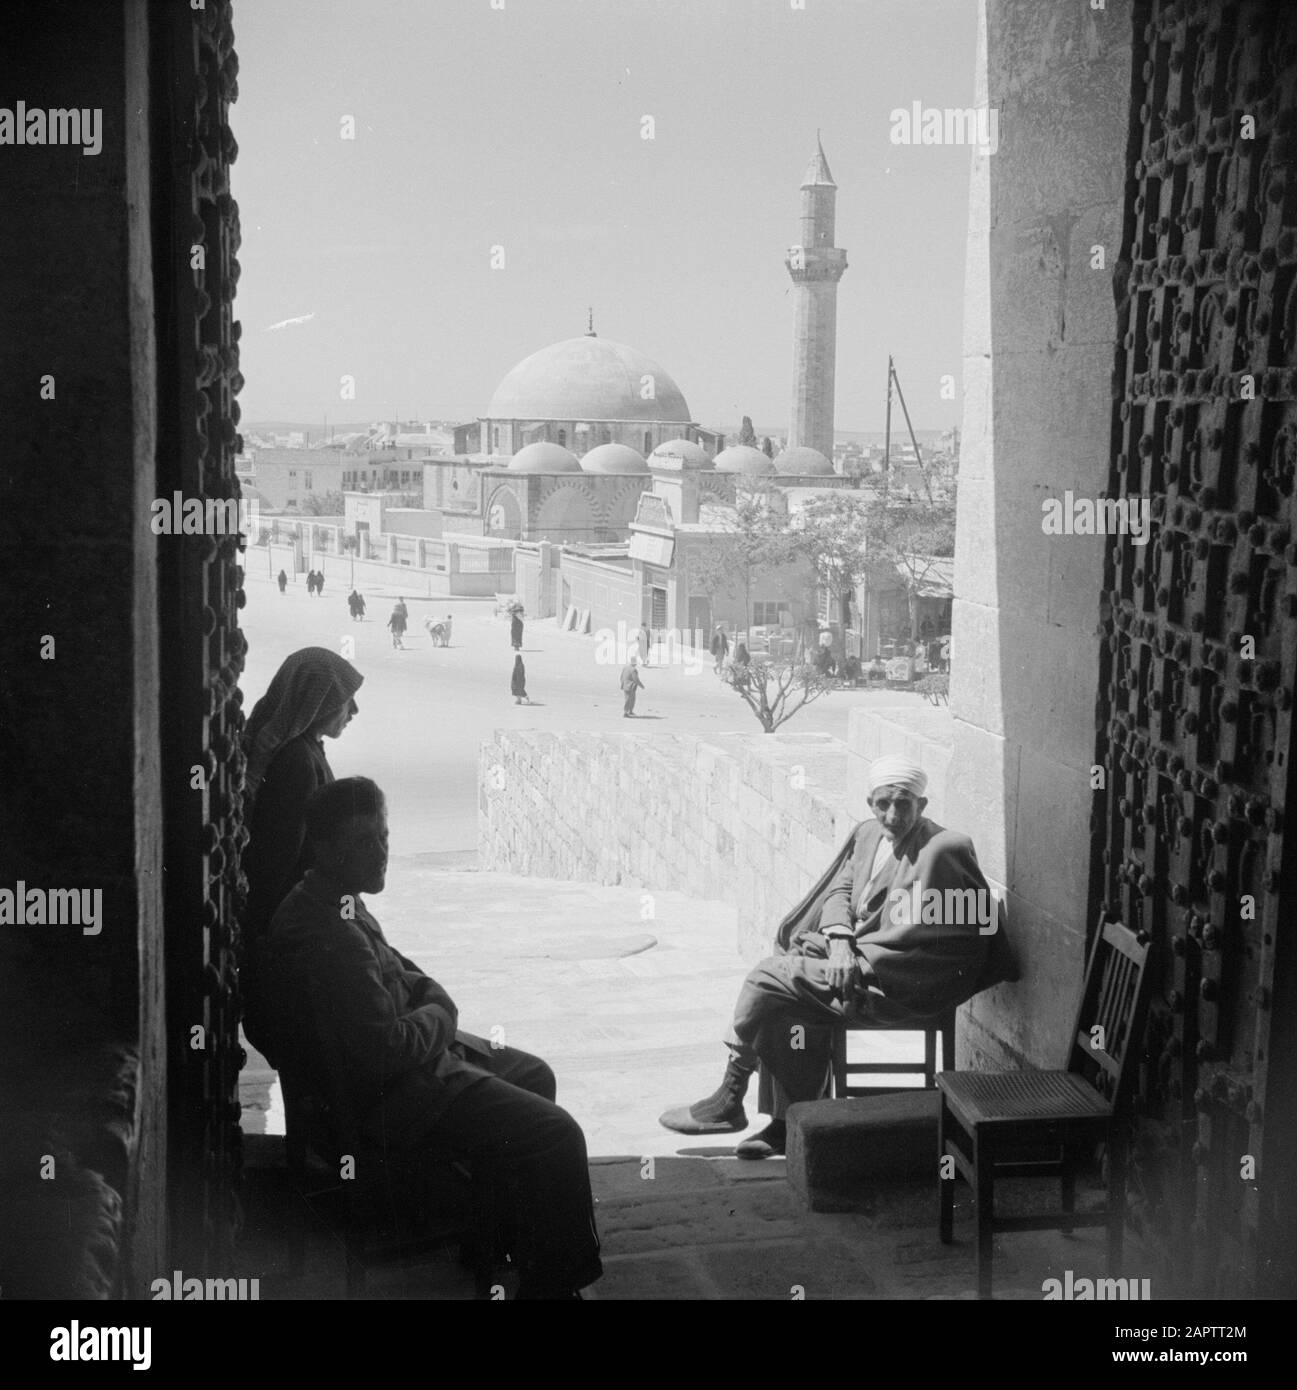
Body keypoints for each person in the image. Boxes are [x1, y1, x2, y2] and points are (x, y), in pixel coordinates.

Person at [266, 778, 603, 1299]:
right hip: (399, 1096)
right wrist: (441, 1013)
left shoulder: (326, 898)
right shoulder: (334, 936)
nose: (381, 852)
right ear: (325, 848)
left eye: (384, 836)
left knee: (535, 1074)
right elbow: (387, 1049)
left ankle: (504, 1237)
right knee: (557, 1133)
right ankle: (552, 1286)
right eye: (364, 842)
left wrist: (428, 996)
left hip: (400, 1070)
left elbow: (398, 968)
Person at [658, 755, 1017, 1158]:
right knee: (783, 1007)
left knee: (765, 978)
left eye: (904, 804)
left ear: (923, 805)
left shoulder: (944, 849)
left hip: (896, 985)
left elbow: (964, 938)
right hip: (853, 960)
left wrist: (864, 960)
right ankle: (789, 1122)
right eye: (883, 804)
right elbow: (840, 892)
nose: (893, 815)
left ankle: (729, 1095)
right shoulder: (868, 835)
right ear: (870, 803)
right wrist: (841, 940)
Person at [239, 647, 364, 1058]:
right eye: (345, 699)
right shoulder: (296, 761)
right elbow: (280, 859)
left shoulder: (303, 749)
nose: (353, 710)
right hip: (300, 933)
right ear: (320, 701)